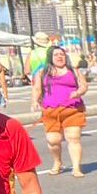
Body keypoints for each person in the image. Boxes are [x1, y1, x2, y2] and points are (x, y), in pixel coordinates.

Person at [32, 45, 88, 178]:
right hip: (51, 111)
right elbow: (37, 89)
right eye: (56, 54)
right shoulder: (43, 72)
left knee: (73, 138)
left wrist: (78, 92)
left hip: (72, 109)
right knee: (53, 140)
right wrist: (34, 101)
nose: (59, 57)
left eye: (62, 54)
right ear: (50, 57)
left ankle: (76, 168)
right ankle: (57, 161)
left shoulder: (73, 71)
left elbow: (84, 86)